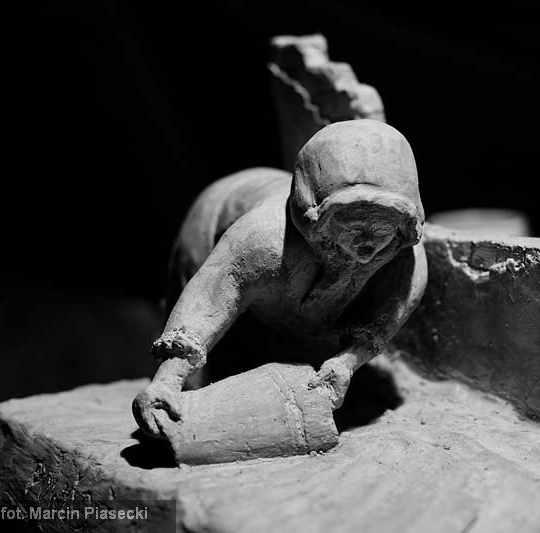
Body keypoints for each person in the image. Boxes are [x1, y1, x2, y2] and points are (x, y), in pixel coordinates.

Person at [133, 119, 428, 438]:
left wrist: (345, 364)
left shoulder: (407, 262)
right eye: (353, 226)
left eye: (382, 228)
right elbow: (207, 301)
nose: (367, 244)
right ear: (314, 215)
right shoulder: (262, 238)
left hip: (287, 312)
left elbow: (381, 323)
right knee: (200, 383)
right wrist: (167, 380)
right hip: (213, 214)